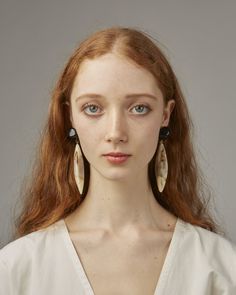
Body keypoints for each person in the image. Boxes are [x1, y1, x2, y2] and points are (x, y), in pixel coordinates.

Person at [0, 26, 235, 295]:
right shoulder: (16, 268)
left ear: (166, 115)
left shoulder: (220, 267)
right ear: (70, 117)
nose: (115, 133)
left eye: (139, 108)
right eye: (93, 108)